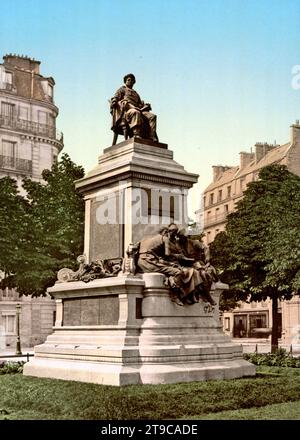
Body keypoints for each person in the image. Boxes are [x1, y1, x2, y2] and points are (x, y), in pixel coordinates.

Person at [110, 73, 158, 142]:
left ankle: (151, 135)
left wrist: (146, 106)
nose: (130, 81)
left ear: (134, 82)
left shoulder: (136, 93)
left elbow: (140, 104)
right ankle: (136, 134)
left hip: (139, 109)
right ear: (125, 81)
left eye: (132, 80)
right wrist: (114, 101)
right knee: (136, 112)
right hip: (127, 110)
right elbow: (115, 98)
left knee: (152, 116)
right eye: (128, 80)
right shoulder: (122, 89)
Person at [177, 229, 218, 305]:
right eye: (182, 237)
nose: (184, 239)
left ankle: (207, 296)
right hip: (185, 265)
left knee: (204, 274)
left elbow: (206, 248)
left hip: (197, 263)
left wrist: (207, 260)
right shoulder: (178, 244)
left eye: (185, 237)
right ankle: (196, 295)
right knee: (196, 274)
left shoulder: (193, 242)